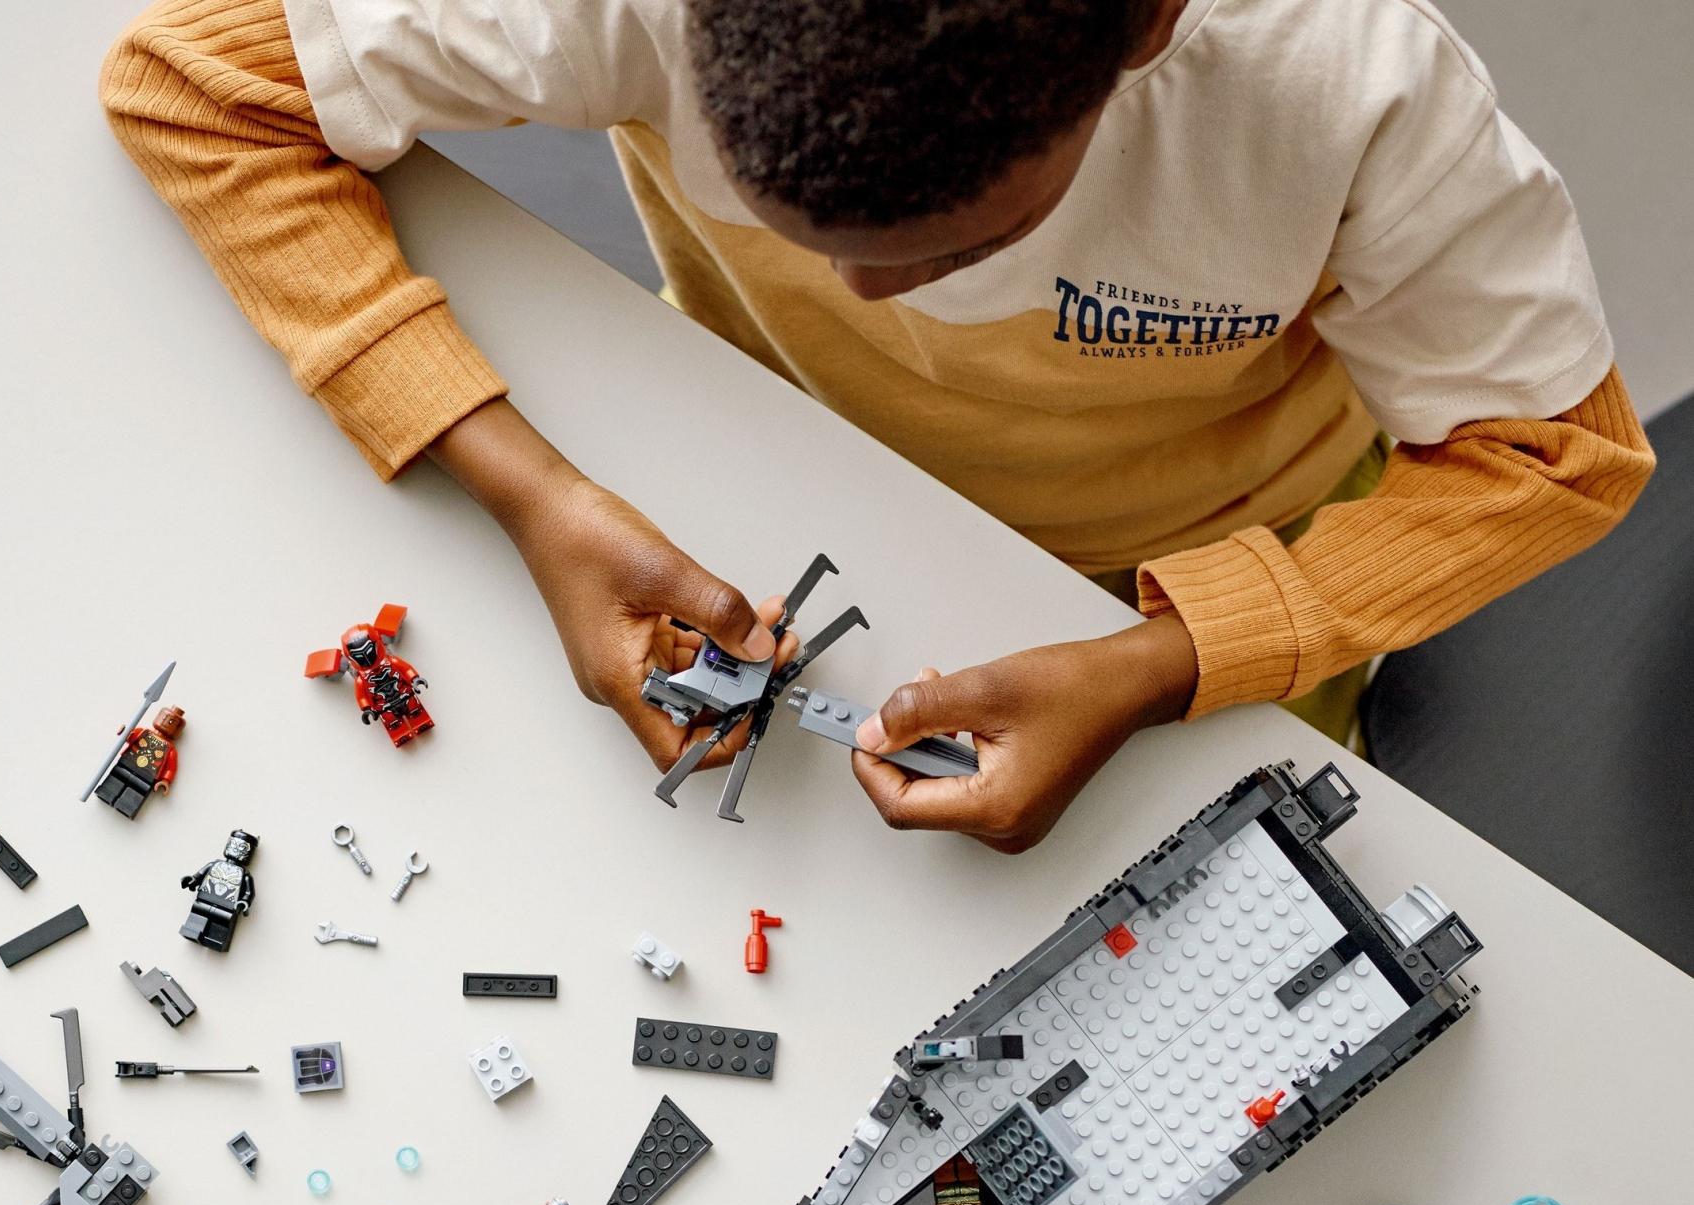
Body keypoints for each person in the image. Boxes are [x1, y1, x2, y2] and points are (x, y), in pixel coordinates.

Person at [103, 0, 1652, 853]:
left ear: (1143, 29)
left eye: (959, 247)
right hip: (761, 477)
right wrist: (534, 495)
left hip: (1197, 558)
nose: (866, 296)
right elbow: (190, 84)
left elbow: (1554, 461)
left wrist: (1166, 658)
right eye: (794, 228)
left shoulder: (1350, 89)